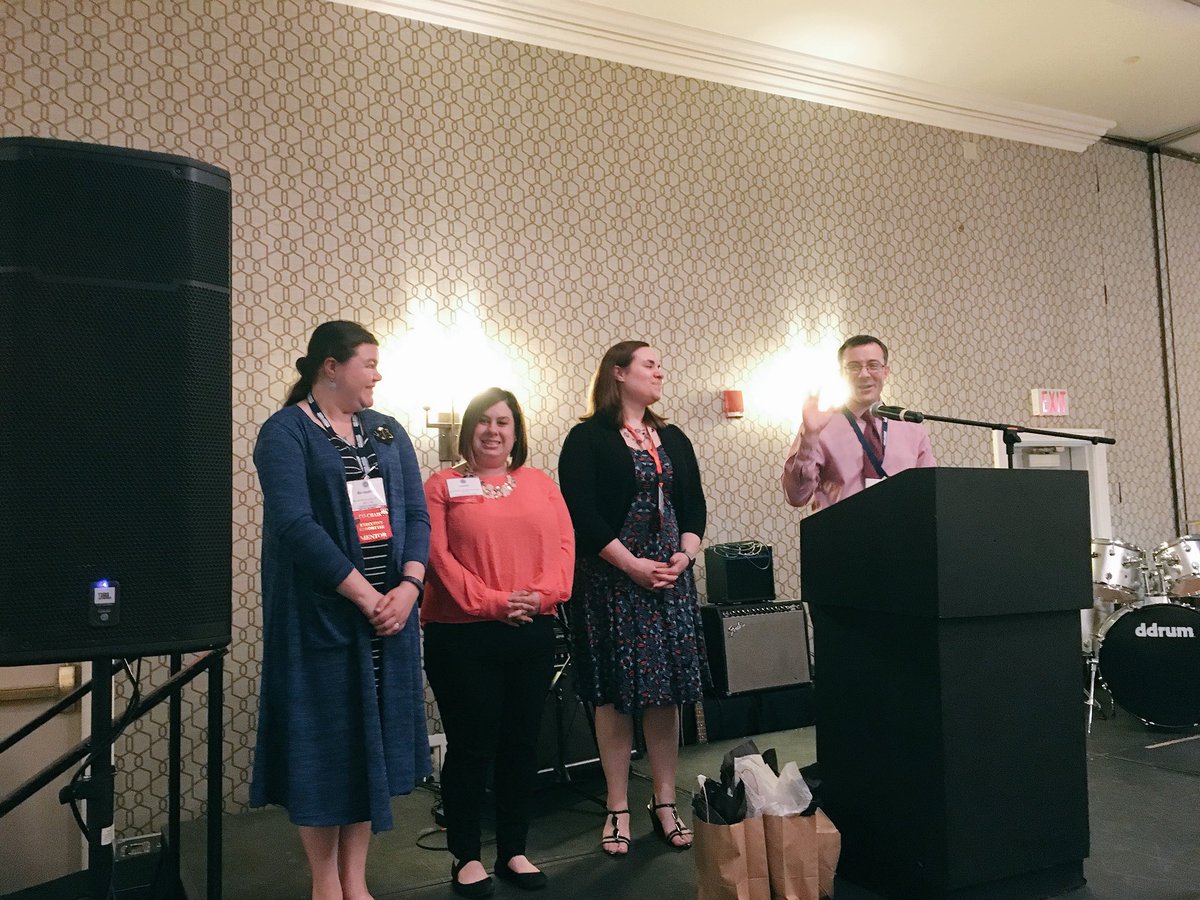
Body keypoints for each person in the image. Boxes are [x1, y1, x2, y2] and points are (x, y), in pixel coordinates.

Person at [251, 321, 431, 900]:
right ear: (330, 366)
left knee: (368, 749)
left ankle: (357, 883)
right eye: (369, 363)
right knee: (326, 751)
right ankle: (325, 885)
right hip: (323, 623)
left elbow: (418, 517)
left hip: (389, 623)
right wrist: (363, 594)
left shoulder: (386, 431)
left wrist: (408, 587)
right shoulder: (285, 433)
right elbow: (294, 525)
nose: (378, 374)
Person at [422, 387, 575, 897]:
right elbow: (437, 559)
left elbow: (562, 548)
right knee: (471, 746)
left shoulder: (539, 484)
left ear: (516, 431)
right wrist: (492, 603)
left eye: (503, 421)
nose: (492, 430)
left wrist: (542, 595)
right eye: (483, 421)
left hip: (531, 628)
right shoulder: (442, 484)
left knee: (521, 743)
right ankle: (466, 855)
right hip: (462, 635)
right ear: (467, 431)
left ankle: (514, 849)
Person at [558, 341, 707, 857]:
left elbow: (695, 511)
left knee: (664, 697)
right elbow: (583, 514)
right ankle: (617, 805)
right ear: (618, 374)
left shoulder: (674, 438)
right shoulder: (587, 438)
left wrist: (683, 559)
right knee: (615, 697)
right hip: (612, 582)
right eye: (649, 364)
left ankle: (665, 802)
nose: (660, 371)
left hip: (669, 578)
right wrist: (632, 566)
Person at [782, 334, 936, 510]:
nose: (864, 374)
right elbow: (796, 496)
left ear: (886, 372)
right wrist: (810, 436)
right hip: (840, 533)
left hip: (902, 532)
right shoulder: (821, 426)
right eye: (854, 367)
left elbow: (929, 491)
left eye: (873, 365)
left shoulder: (911, 428)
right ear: (841, 373)